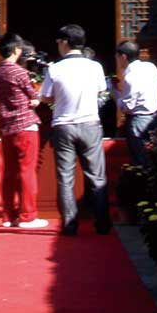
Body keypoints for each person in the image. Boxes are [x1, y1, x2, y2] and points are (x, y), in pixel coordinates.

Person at [44, 23, 112, 235]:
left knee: (65, 177)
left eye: (59, 42)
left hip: (64, 125)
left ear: (65, 42)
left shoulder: (54, 68)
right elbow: (101, 91)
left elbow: (46, 96)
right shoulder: (95, 67)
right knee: (96, 176)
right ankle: (102, 222)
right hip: (90, 123)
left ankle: (69, 224)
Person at [0, 32, 50, 229]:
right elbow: (34, 97)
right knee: (27, 171)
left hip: (6, 127)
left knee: (9, 171)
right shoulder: (19, 73)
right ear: (16, 50)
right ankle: (27, 215)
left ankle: (8, 215)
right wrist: (35, 100)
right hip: (25, 126)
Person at [114, 40, 157, 168]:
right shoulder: (150, 67)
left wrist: (115, 94)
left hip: (137, 121)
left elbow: (127, 107)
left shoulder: (130, 77)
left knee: (140, 160)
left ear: (123, 57)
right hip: (154, 117)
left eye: (117, 56)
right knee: (153, 155)